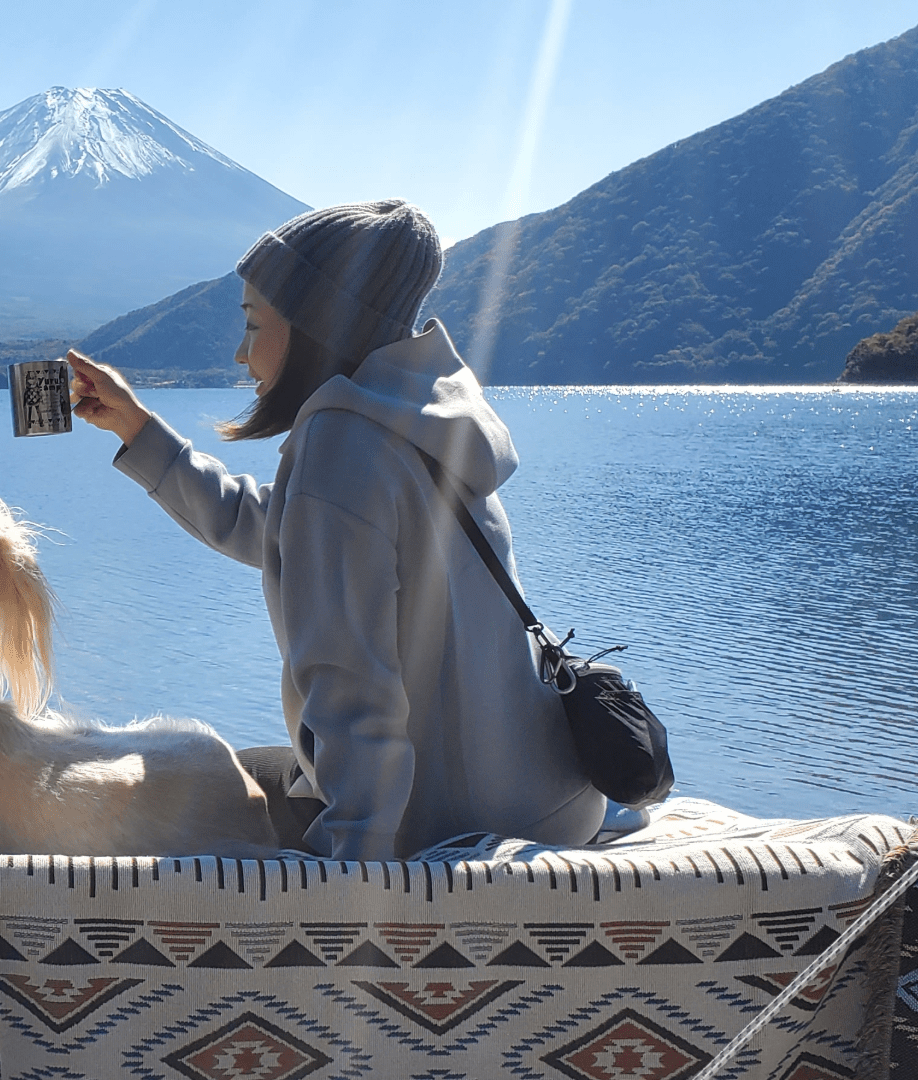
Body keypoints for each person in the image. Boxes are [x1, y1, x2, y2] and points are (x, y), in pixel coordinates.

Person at [68, 200, 606, 859]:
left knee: (180, 794)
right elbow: (271, 525)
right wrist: (136, 427)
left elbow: (354, 690)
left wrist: (348, 877)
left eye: (253, 323)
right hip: (548, 800)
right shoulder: (418, 415)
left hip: (450, 825)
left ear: (315, 324)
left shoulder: (342, 445)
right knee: (256, 771)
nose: (241, 353)